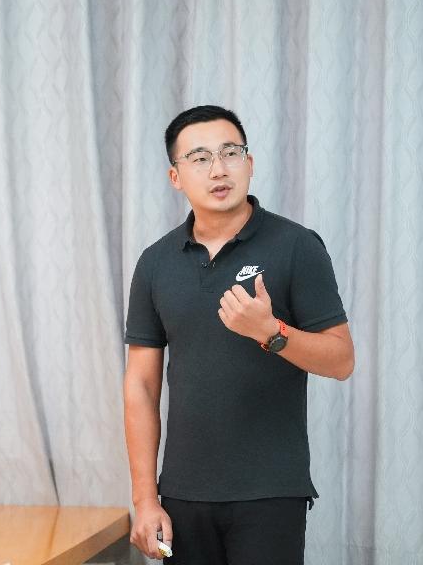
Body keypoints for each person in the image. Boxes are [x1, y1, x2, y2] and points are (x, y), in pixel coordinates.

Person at [123, 105, 354, 564]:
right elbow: (141, 386)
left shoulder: (296, 246)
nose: (218, 169)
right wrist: (145, 500)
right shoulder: (155, 263)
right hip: (183, 495)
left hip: (270, 493)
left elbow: (341, 360)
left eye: (231, 153)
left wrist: (271, 332)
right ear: (175, 177)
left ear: (249, 163)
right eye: (200, 158)